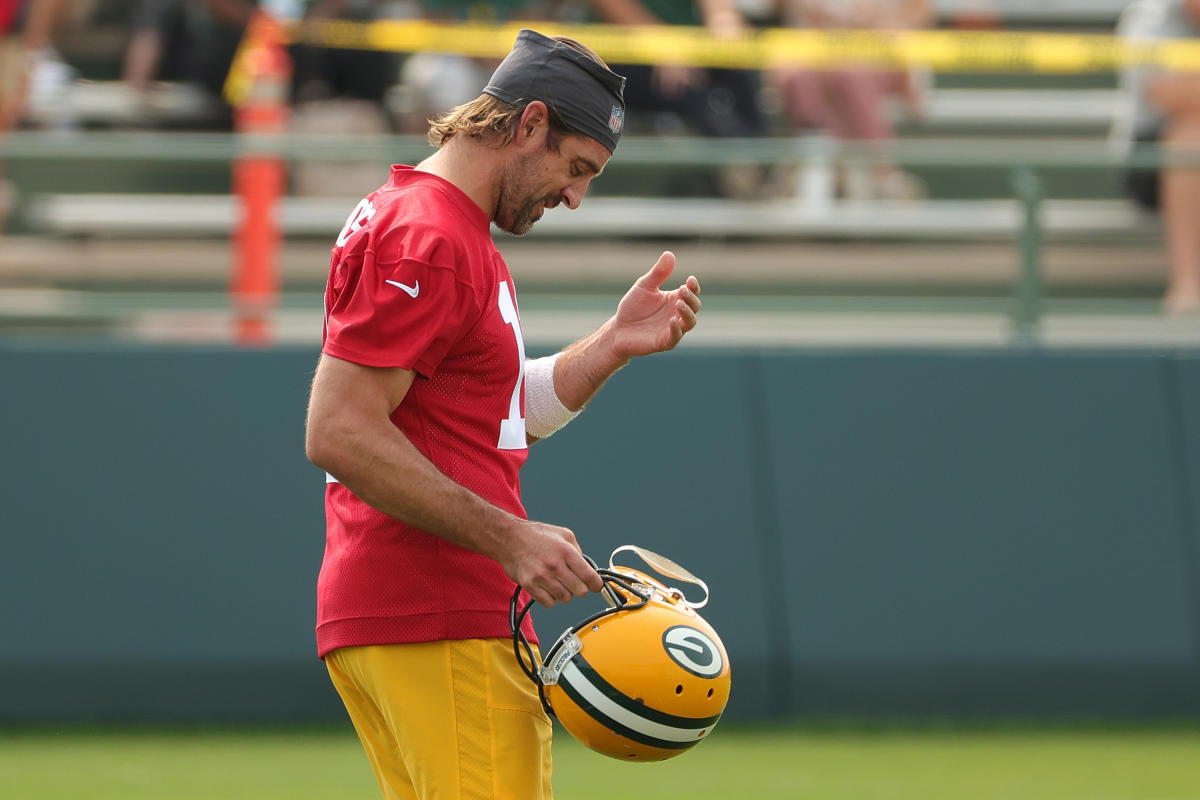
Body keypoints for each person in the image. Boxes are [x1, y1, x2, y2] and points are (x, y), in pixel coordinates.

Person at [303, 29, 702, 799]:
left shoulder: (433, 223)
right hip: (438, 606)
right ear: (528, 125)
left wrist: (611, 345)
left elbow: (493, 416)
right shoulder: (431, 236)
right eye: (575, 167)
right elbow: (339, 429)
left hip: (412, 610)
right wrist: (509, 538)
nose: (575, 196)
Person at [770, 0, 932, 201]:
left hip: (885, 53)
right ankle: (822, 168)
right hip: (817, 57)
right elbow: (775, 7)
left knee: (851, 74)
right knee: (801, 77)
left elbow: (918, 17)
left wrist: (875, 22)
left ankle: (876, 173)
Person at [1115, 0, 1200, 314]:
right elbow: (1169, 93)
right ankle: (1188, 290)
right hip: (1149, 160)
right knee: (1193, 134)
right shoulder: (1151, 14)